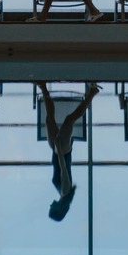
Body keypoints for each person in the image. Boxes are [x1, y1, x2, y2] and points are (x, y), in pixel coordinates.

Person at [37, 81, 98, 221]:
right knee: (69, 120)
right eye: (51, 209)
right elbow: (63, 169)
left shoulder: (63, 193)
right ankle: (92, 93)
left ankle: (44, 87)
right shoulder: (65, 192)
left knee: (49, 120)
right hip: (62, 151)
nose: (50, 206)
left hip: (57, 150)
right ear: (58, 209)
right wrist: (58, 147)